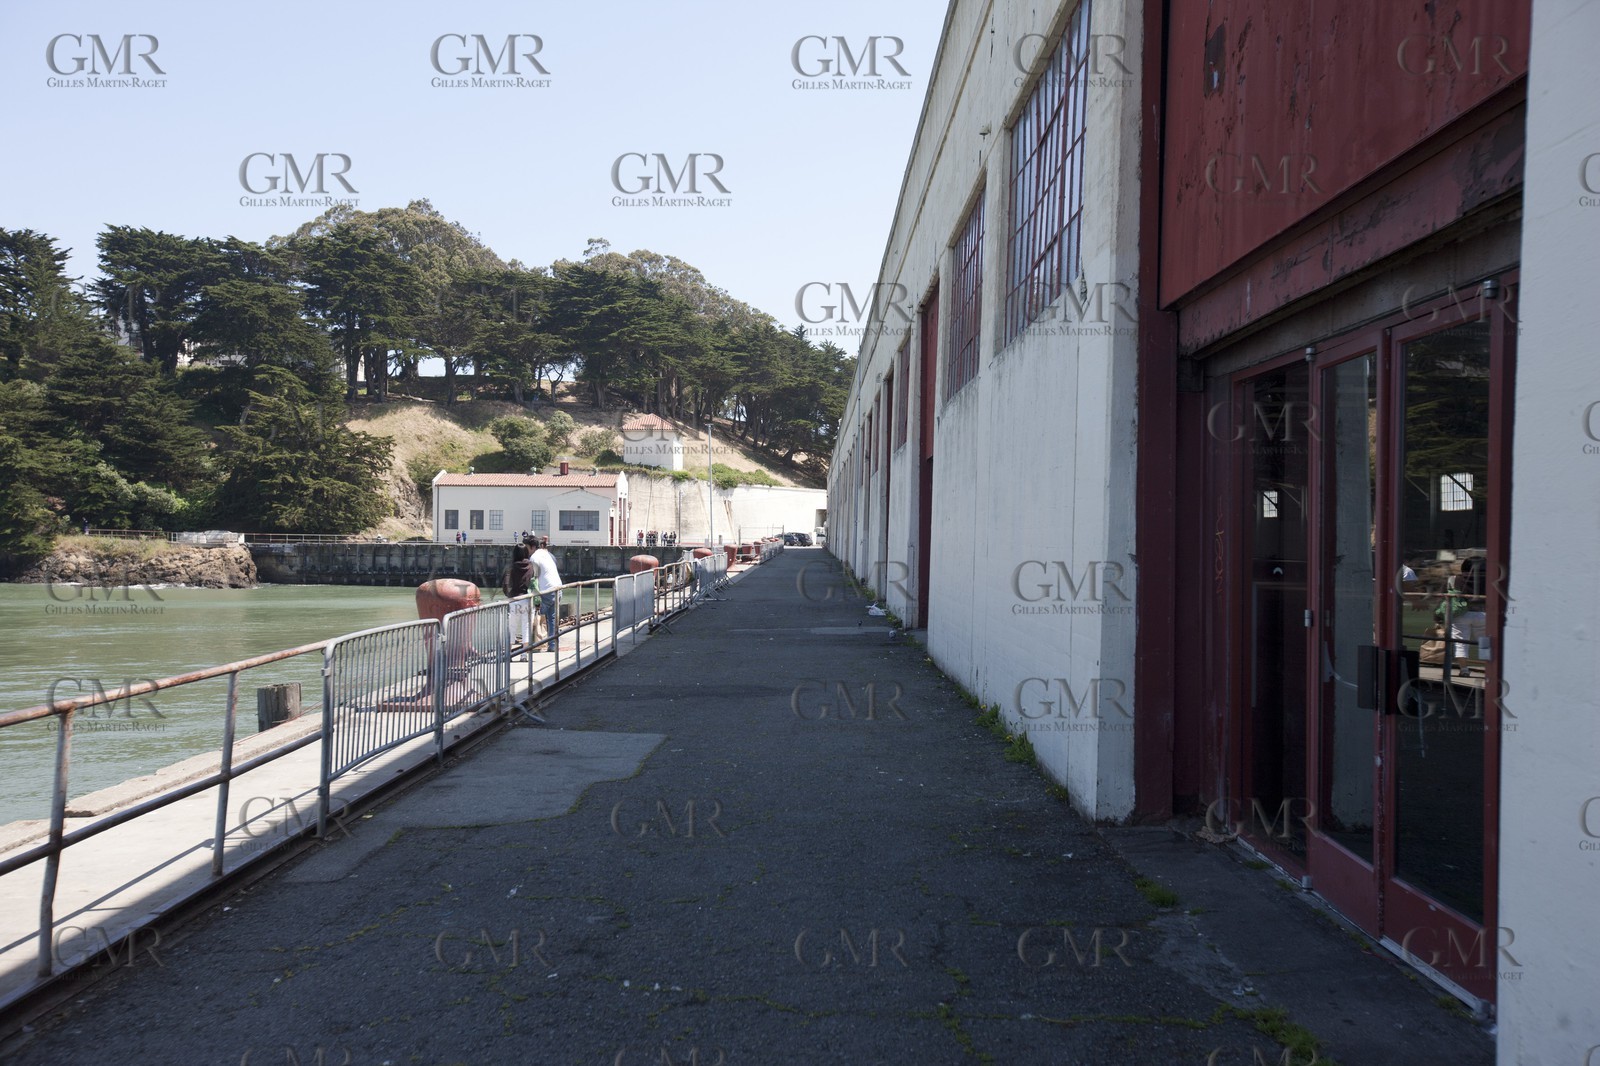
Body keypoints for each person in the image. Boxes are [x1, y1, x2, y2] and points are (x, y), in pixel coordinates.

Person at [530, 535, 562, 653]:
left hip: (546, 591)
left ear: (532, 547)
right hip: (558, 587)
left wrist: (535, 598)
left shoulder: (534, 557)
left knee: (535, 615)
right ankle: (552, 645)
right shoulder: (550, 555)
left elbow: (534, 579)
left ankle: (536, 644)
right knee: (552, 618)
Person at [503, 544, 533, 647]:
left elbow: (506, 584)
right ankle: (524, 654)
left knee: (512, 626)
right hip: (527, 599)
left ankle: (510, 652)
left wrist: (509, 595)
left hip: (515, 599)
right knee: (526, 625)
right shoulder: (531, 566)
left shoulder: (511, 567)